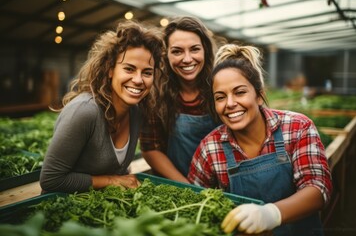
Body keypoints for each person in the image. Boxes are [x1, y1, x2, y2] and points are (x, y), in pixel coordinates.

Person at [187, 44, 333, 235]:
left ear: (259, 96)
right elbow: (193, 203)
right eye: (220, 97)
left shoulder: (297, 127)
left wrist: (271, 214)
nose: (230, 104)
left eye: (240, 92)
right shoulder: (210, 147)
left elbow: (318, 189)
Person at [40, 20, 164, 193]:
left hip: (103, 210)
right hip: (63, 211)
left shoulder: (136, 112)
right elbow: (51, 179)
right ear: (110, 69)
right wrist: (113, 181)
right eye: (129, 69)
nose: (138, 79)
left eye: (147, 72)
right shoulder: (84, 111)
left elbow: (118, 169)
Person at [139, 16, 220, 183]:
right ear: (166, 54)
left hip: (224, 184)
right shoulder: (154, 94)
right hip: (178, 186)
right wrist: (189, 187)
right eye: (177, 51)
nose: (187, 59)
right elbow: (150, 149)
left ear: (205, 49)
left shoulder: (221, 85)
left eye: (195, 49)